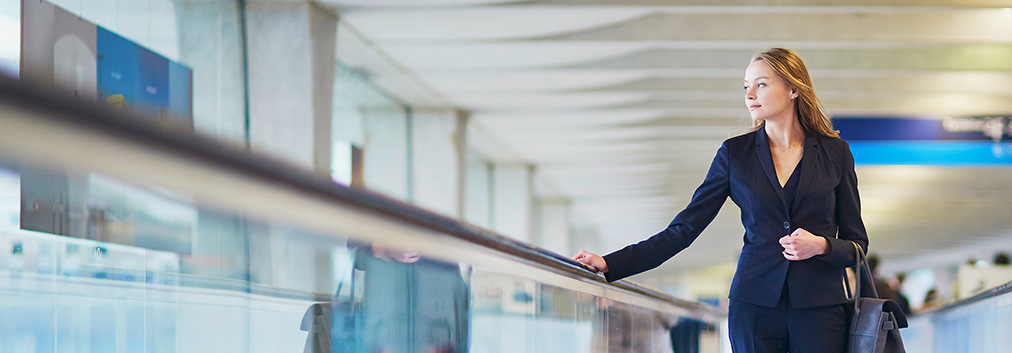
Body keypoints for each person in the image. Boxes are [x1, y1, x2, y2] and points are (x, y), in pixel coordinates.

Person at [572, 48, 869, 353]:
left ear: (793, 89)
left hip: (821, 309)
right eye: (746, 86)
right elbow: (683, 230)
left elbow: (858, 245)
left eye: (761, 84)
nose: (749, 95)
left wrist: (821, 246)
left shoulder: (835, 153)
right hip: (754, 307)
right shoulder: (734, 154)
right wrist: (610, 264)